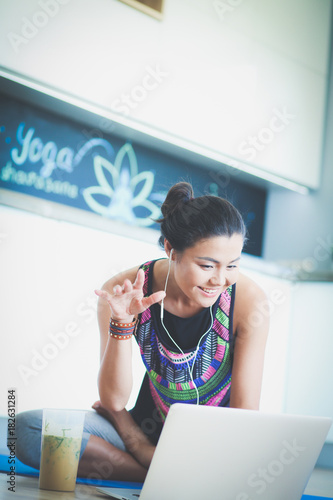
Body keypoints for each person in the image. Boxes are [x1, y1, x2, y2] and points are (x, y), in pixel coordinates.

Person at [14, 181, 269, 483]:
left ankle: (164, 471)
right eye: (207, 265)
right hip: (146, 428)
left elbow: (244, 415)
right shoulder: (123, 290)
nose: (220, 279)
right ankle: (167, 477)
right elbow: (114, 399)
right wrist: (122, 322)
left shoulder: (248, 302)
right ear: (170, 249)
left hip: (215, 445)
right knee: (27, 431)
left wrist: (139, 443)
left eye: (232, 266)